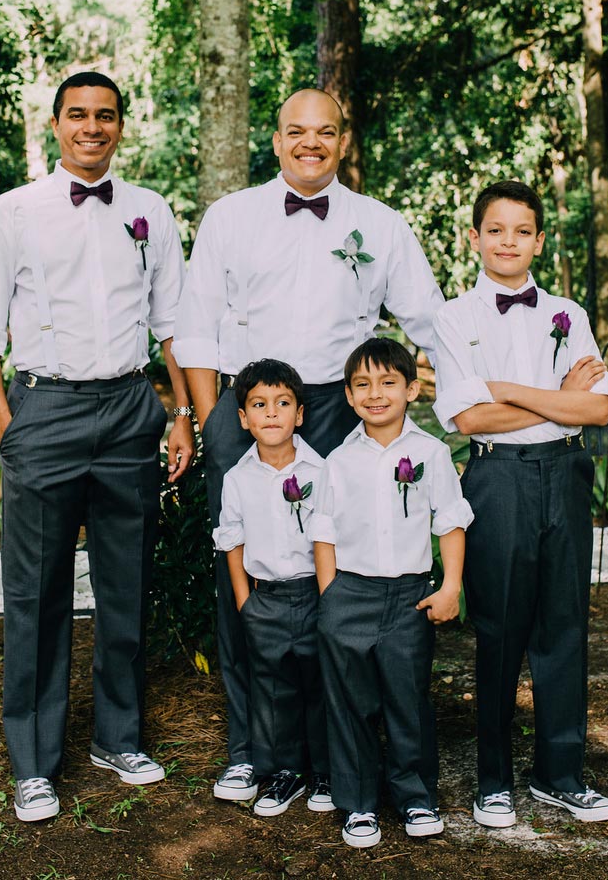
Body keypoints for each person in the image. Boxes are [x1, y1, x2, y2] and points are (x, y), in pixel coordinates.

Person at [172, 88, 444, 801]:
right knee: (251, 573)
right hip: (248, 402)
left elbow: (431, 317)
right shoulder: (230, 218)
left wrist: (484, 393)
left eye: (325, 132)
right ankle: (250, 747)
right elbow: (195, 325)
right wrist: (218, 424)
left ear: (343, 142)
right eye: (297, 132)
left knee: (333, 578)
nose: (311, 143)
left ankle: (330, 755)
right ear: (276, 139)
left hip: (336, 407)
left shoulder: (380, 225)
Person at [0, 72, 195, 822]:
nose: (93, 127)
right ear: (57, 123)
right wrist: (10, 425)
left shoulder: (151, 212)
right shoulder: (13, 213)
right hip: (45, 409)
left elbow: (173, 322)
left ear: (122, 126)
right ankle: (34, 761)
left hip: (130, 409)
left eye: (107, 116)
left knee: (126, 584)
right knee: (36, 593)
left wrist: (181, 412)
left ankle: (118, 738)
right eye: (79, 115)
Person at [432, 180, 608, 829]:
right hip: (498, 480)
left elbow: (595, 407)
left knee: (564, 627)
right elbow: (464, 417)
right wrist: (552, 393)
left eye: (521, 231)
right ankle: (492, 781)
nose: (508, 241)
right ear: (474, 237)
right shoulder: (453, 317)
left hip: (566, 475)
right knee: (501, 628)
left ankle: (559, 774)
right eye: (495, 229)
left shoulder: (568, 310)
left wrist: (509, 391)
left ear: (539, 240)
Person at [309, 337, 472, 847]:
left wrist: (450, 587)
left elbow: (450, 522)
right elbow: (324, 531)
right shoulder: (337, 460)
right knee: (350, 702)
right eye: (363, 385)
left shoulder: (431, 454)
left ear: (411, 388)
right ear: (349, 396)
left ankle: (416, 796)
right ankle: (358, 803)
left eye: (387, 382)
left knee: (408, 699)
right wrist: (331, 596)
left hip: (409, 595)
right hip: (349, 595)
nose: (375, 394)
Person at [213, 358, 332, 817]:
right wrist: (245, 601)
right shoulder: (237, 479)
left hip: (313, 593)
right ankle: (286, 772)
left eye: (283, 403)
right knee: (273, 689)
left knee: (318, 684)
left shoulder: (321, 472)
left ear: (300, 414)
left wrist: (329, 597)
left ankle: (324, 770)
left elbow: (330, 538)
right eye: (259, 405)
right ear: (243, 418)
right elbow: (232, 540)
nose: (272, 413)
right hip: (264, 598)